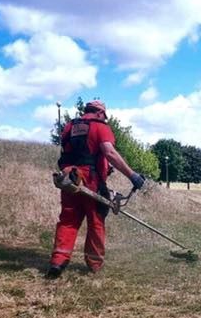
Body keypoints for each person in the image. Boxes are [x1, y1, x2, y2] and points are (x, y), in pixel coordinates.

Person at [47, 100, 145, 278]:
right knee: (96, 222)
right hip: (91, 181)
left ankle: (58, 261)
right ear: (100, 113)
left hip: (70, 179)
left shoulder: (69, 126)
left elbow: (70, 152)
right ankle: (94, 264)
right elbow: (109, 152)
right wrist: (133, 176)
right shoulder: (100, 126)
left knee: (68, 220)